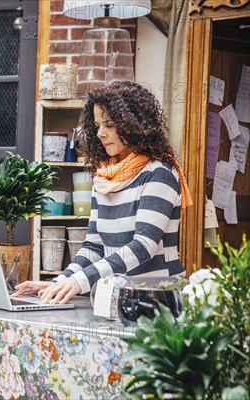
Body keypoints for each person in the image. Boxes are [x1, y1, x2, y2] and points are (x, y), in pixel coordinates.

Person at [14, 81, 192, 304]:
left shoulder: (159, 173)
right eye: (97, 125)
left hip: (158, 300)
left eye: (108, 124)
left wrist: (81, 280)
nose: (100, 133)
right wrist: (60, 282)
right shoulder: (104, 177)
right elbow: (94, 246)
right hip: (117, 297)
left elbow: (143, 247)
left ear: (134, 124)